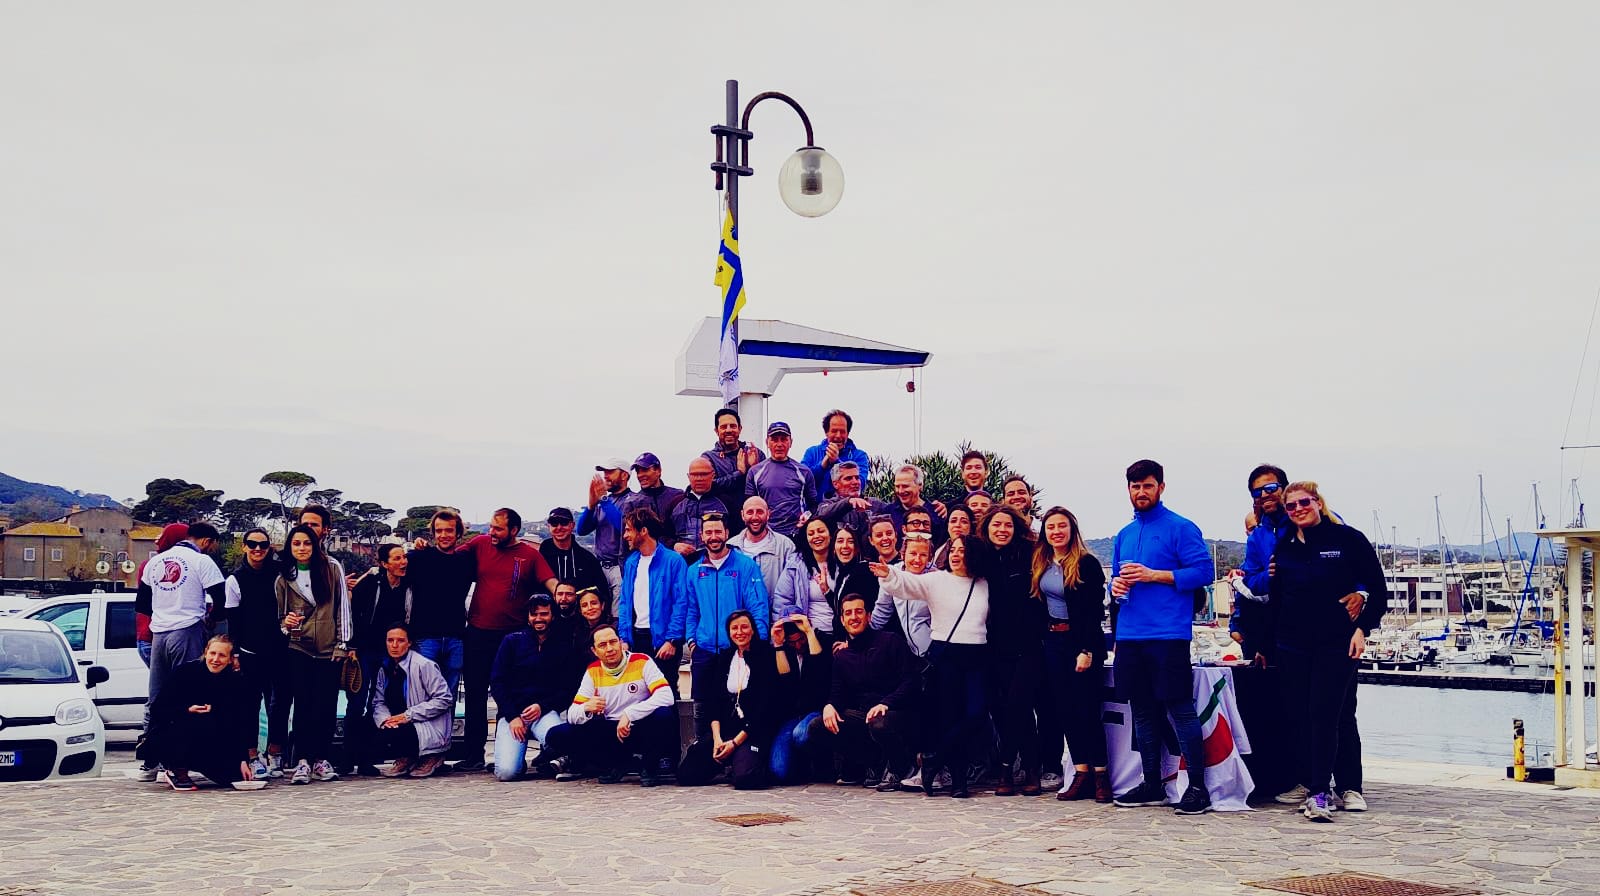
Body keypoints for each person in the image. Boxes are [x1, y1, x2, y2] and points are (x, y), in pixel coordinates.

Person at [1270, 481, 1386, 822]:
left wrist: (1363, 628)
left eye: (1304, 502)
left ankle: (1330, 791)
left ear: (1318, 503)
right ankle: (1311, 782)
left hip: (1336, 642)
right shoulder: (1285, 546)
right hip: (1292, 645)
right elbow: (1277, 598)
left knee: (1328, 714)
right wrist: (1267, 643)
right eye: (1291, 506)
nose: (1299, 510)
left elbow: (1378, 589)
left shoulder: (1347, 539)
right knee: (1301, 715)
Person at [1108, 459, 1216, 815]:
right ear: (1128, 490)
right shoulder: (1124, 534)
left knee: (1179, 708)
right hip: (1130, 634)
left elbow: (1203, 572)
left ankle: (1197, 788)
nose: (1141, 492)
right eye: (1135, 486)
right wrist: (1115, 588)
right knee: (1141, 709)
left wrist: (1155, 575)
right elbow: (1116, 582)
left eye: (1148, 486)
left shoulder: (1181, 528)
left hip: (1168, 633)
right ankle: (1152, 783)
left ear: (1161, 487)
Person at [869, 534, 992, 799]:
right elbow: (907, 584)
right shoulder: (937, 579)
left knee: (976, 713)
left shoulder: (984, 583)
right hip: (945, 654)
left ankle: (934, 757)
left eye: (962, 550)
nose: (956, 555)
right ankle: (958, 782)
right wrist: (889, 574)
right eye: (953, 550)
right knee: (951, 717)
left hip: (977, 654)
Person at [456, 508, 558, 772]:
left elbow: (550, 582)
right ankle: (473, 755)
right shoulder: (479, 544)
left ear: (514, 530)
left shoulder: (529, 555)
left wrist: (565, 595)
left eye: (498, 528)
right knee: (475, 694)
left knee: (512, 690)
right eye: (491, 526)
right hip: (478, 633)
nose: (492, 532)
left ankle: (525, 750)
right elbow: (449, 556)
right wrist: (424, 548)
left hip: (512, 637)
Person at [1032, 506, 1111, 803]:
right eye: (1051, 527)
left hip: (1081, 643)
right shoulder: (1041, 562)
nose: (1056, 532)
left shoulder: (1086, 563)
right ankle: (1081, 773)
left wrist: (1086, 649)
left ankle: (1101, 774)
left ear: (1072, 529)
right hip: (1053, 642)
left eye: (1062, 526)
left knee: (1087, 710)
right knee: (1065, 710)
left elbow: (1093, 611)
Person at [137, 521, 226, 782]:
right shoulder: (202, 561)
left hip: (159, 634)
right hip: (187, 630)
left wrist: (164, 613)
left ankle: (150, 761)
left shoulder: (155, 562)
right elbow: (220, 599)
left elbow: (142, 604)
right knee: (189, 698)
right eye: (212, 545)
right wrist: (210, 619)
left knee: (157, 699)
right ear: (207, 541)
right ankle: (180, 764)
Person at [809, 593, 920, 792]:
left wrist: (887, 703)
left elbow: (911, 681)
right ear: (842, 620)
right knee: (818, 726)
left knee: (878, 722)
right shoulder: (842, 656)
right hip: (865, 717)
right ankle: (874, 763)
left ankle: (902, 767)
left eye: (859, 612)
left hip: (897, 713)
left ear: (868, 616)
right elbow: (837, 694)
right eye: (848, 613)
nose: (854, 617)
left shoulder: (890, 641)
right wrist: (829, 706)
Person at [546, 623, 678, 786]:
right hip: (611, 733)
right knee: (556, 734)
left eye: (613, 642)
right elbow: (572, 715)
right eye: (602, 645)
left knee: (663, 715)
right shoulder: (593, 671)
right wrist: (586, 707)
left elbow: (666, 696)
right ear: (594, 651)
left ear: (621, 642)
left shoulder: (642, 661)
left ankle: (649, 767)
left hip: (640, 727)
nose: (609, 649)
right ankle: (618, 763)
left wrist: (630, 714)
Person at [275, 523, 353, 785]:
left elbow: (342, 607)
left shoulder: (331, 568)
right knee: (302, 705)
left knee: (326, 705)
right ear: (290, 546)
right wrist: (286, 624)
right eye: (296, 543)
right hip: (299, 647)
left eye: (306, 543)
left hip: (330, 649)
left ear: (315, 544)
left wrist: (343, 643)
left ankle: (322, 758)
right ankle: (302, 761)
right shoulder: (284, 577)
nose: (302, 548)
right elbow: (279, 618)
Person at [685, 514, 771, 743]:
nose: (713, 537)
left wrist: (758, 644)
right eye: (708, 532)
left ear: (726, 533)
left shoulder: (745, 565)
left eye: (718, 531)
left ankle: (736, 750)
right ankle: (702, 750)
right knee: (701, 706)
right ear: (702, 536)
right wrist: (692, 641)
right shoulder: (693, 571)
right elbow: (691, 609)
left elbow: (758, 606)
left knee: (735, 703)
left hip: (736, 649)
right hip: (704, 649)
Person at [981, 505, 1045, 796]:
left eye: (1007, 525)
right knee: (1002, 708)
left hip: (1028, 645)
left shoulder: (1029, 554)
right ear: (987, 527)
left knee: (1020, 705)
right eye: (996, 524)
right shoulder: (981, 557)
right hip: (993, 646)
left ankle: (1017, 767)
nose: (1002, 530)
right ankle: (1020, 766)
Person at [678, 609, 779, 789]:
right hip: (725, 730)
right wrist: (717, 739)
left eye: (744, 627)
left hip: (750, 732)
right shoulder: (725, 657)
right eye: (734, 628)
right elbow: (714, 703)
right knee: (686, 774)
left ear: (753, 630)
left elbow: (764, 707)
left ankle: (744, 759)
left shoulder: (765, 655)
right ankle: (728, 758)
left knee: (746, 779)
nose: (739, 632)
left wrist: (734, 743)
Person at [148, 634, 256, 791]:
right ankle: (176, 770)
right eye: (212, 653)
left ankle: (203, 764)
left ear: (230, 659)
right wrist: (187, 710)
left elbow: (239, 722)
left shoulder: (235, 681)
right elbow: (157, 709)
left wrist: (242, 759)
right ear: (205, 652)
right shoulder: (184, 672)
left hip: (210, 737)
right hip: (175, 733)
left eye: (222, 655)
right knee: (188, 722)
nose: (215, 659)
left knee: (234, 778)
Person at [224, 527, 288, 779]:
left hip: (280, 650)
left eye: (263, 544)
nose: (257, 549)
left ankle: (276, 753)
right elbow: (233, 621)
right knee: (249, 706)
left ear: (269, 547)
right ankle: (252, 756)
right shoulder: (235, 580)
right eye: (252, 544)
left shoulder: (281, 573)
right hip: (249, 652)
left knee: (281, 704)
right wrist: (235, 654)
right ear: (244, 547)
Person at [489, 596, 576, 782]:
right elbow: (497, 682)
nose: (538, 618)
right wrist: (512, 716)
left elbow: (567, 689)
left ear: (552, 616)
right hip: (513, 716)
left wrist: (542, 706)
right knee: (507, 772)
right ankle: (517, 759)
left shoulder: (562, 645)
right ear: (528, 617)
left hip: (543, 713)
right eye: (534, 614)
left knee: (565, 742)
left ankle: (552, 758)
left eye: (544, 614)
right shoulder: (511, 641)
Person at [344, 544, 413, 776]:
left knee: (380, 704)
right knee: (357, 703)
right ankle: (347, 759)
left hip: (390, 653)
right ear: (384, 564)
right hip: (365, 650)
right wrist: (352, 646)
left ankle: (366, 760)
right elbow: (353, 613)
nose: (403, 562)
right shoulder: (371, 583)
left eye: (404, 557)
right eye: (397, 558)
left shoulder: (407, 585)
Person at [614, 506, 689, 699]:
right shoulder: (631, 562)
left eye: (629, 530)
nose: (625, 536)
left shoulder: (673, 561)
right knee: (638, 695)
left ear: (643, 531)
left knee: (666, 695)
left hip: (663, 641)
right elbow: (625, 603)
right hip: (636, 639)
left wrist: (672, 640)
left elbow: (681, 603)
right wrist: (624, 638)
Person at [407, 508, 473, 710]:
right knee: (423, 696)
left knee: (449, 698)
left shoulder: (466, 561)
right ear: (433, 533)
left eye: (449, 530)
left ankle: (445, 733)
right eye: (439, 530)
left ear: (458, 533)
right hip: (425, 638)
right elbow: (389, 570)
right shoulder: (418, 558)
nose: (444, 535)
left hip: (456, 638)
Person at [371, 623, 455, 779]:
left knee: (403, 729)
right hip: (401, 722)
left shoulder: (423, 665)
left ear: (409, 643)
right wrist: (385, 720)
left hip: (426, 725)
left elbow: (444, 699)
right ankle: (407, 757)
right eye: (390, 640)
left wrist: (408, 716)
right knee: (372, 729)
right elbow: (379, 701)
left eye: (400, 640)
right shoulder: (385, 667)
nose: (394, 645)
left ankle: (433, 756)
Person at [768, 613, 829, 784]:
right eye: (792, 642)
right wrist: (778, 645)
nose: (798, 645)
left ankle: (821, 764)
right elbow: (785, 681)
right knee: (779, 771)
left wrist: (808, 632)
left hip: (817, 710)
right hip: (793, 715)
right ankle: (801, 767)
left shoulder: (819, 642)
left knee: (801, 735)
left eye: (800, 639)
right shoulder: (785, 651)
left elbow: (819, 671)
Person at [744, 421, 818, 538]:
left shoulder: (804, 472)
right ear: (767, 442)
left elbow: (814, 506)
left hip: (795, 534)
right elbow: (749, 507)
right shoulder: (754, 472)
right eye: (774, 439)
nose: (779, 444)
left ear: (790, 442)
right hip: (766, 536)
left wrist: (807, 516)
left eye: (783, 439)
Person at [134, 523, 189, 670]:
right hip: (160, 637)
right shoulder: (167, 565)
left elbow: (142, 603)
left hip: (147, 637)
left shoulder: (150, 564)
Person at [702, 408, 765, 536]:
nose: (729, 430)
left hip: (754, 522)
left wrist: (753, 470)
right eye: (724, 427)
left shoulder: (755, 453)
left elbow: (766, 486)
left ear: (740, 429)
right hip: (724, 526)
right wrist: (739, 473)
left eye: (733, 426)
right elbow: (709, 487)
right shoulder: (709, 458)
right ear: (716, 430)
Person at [872, 532, 934, 658]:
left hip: (933, 650)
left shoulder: (935, 577)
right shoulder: (891, 573)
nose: (917, 560)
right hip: (910, 651)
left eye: (923, 555)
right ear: (902, 554)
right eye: (913, 553)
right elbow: (882, 611)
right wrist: (861, 638)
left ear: (929, 558)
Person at [579, 459, 635, 595]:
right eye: (605, 472)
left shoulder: (633, 500)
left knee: (618, 607)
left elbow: (624, 527)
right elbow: (581, 530)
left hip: (619, 567)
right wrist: (591, 506)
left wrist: (604, 500)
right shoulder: (604, 502)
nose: (605, 476)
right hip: (600, 566)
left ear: (624, 475)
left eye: (610, 472)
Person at [539, 507, 611, 606]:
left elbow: (602, 592)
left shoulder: (587, 559)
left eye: (564, 522)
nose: (559, 527)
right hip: (548, 612)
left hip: (580, 613)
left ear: (572, 525)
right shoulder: (540, 557)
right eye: (554, 523)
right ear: (549, 527)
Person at [727, 496, 795, 600]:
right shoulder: (730, 547)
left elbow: (793, 586)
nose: (755, 517)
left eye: (760, 512)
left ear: (768, 514)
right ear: (742, 515)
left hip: (775, 609)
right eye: (750, 512)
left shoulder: (785, 546)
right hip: (739, 609)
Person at [801, 409, 872, 499]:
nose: (838, 436)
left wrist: (837, 462)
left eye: (842, 431)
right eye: (834, 431)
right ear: (826, 433)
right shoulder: (812, 452)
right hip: (815, 507)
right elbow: (802, 482)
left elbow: (860, 485)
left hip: (847, 507)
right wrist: (822, 466)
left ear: (848, 433)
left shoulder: (859, 456)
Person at [670, 458, 730, 559]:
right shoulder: (676, 503)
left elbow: (736, 534)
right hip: (682, 561)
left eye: (703, 474)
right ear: (688, 476)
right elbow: (663, 534)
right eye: (694, 474)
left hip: (717, 561)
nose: (699, 478)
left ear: (713, 475)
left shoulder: (726, 502)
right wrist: (674, 545)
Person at [814, 461, 887, 543]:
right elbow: (821, 516)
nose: (855, 482)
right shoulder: (827, 505)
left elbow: (894, 511)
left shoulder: (874, 504)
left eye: (857, 478)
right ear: (835, 484)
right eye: (848, 478)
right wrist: (848, 502)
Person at [625, 452, 685, 539]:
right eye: (638, 471)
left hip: (678, 546)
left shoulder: (677, 496)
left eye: (645, 470)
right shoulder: (634, 502)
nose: (640, 475)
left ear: (658, 471)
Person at [886, 465, 947, 547]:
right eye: (897, 486)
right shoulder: (888, 513)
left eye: (905, 486)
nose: (900, 491)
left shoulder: (936, 512)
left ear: (920, 486)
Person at [933, 507, 974, 571]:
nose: (957, 525)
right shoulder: (938, 550)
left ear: (971, 526)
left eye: (964, 522)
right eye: (953, 521)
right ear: (948, 525)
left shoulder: (978, 550)